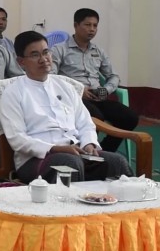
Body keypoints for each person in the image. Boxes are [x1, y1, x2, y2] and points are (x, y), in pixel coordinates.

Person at [0, 30, 132, 183]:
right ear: (21, 62)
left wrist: (89, 143)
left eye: (46, 52)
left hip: (77, 152)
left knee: (117, 162)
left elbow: (85, 122)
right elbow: (17, 139)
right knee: (69, 164)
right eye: (35, 55)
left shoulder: (65, 86)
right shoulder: (13, 93)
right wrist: (55, 148)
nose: (44, 59)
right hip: (36, 158)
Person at [50, 8, 139, 152]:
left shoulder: (98, 51)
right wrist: (79, 90)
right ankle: (87, 153)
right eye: (87, 25)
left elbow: (114, 76)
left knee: (130, 117)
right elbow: (52, 77)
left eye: (95, 25)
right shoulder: (59, 50)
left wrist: (106, 90)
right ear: (76, 25)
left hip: (98, 98)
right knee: (96, 116)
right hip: (73, 99)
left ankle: (104, 151)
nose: (92, 29)